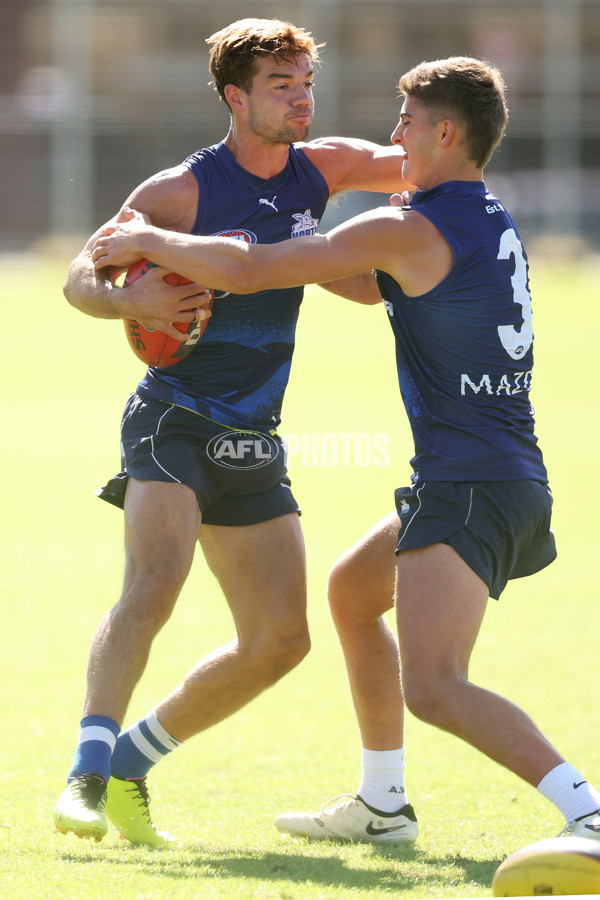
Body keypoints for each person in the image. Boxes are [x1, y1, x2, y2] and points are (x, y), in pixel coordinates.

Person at [92, 56, 600, 845]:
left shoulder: (406, 225)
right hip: (500, 473)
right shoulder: (485, 217)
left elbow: (257, 270)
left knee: (434, 684)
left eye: (405, 123)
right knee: (354, 593)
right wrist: (303, 239)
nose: (392, 139)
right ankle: (383, 803)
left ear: (444, 132)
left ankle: (588, 813)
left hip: (470, 482)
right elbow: (360, 282)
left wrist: (150, 237)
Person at [53, 17, 415, 847]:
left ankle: (128, 767)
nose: (301, 99)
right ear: (234, 98)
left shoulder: (321, 168)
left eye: (305, 84)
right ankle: (83, 774)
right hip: (174, 417)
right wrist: (125, 301)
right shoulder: (179, 191)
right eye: (282, 87)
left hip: (255, 433)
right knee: (156, 582)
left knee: (280, 641)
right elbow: (83, 274)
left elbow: (431, 155)